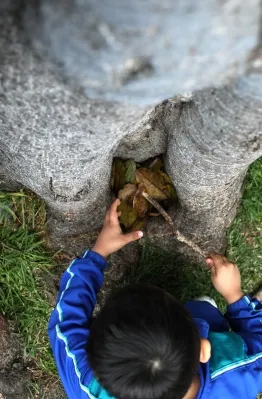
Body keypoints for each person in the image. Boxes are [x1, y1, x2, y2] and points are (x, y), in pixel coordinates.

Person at [48, 199, 262, 399]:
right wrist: (234, 295)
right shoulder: (236, 371)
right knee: (203, 309)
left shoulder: (87, 387)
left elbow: (65, 325)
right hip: (212, 334)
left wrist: (98, 252)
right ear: (203, 350)